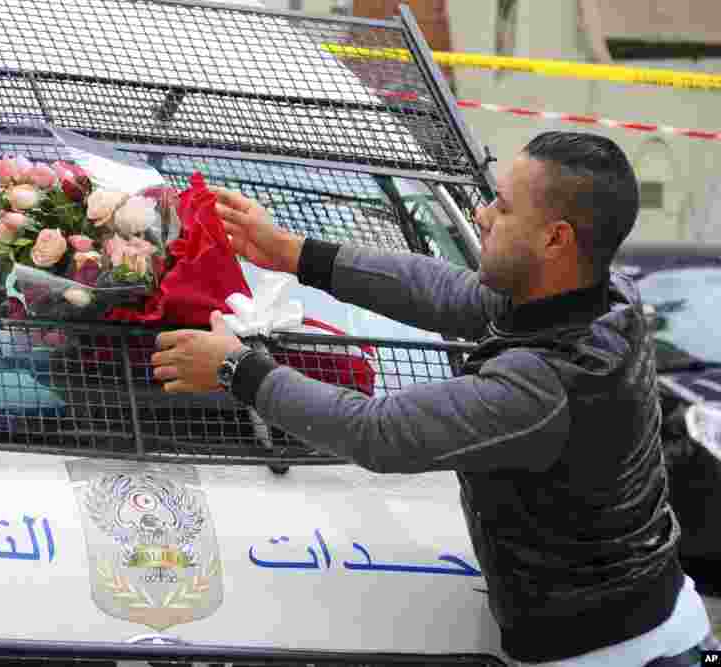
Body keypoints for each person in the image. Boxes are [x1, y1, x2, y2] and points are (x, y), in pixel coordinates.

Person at [150, 132, 718, 666]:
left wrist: (237, 369)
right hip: (641, 627)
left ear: (556, 238)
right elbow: (448, 293)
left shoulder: (549, 382)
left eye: (502, 205)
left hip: (618, 651)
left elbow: (378, 433)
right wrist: (294, 253)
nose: (482, 215)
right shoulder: (603, 294)